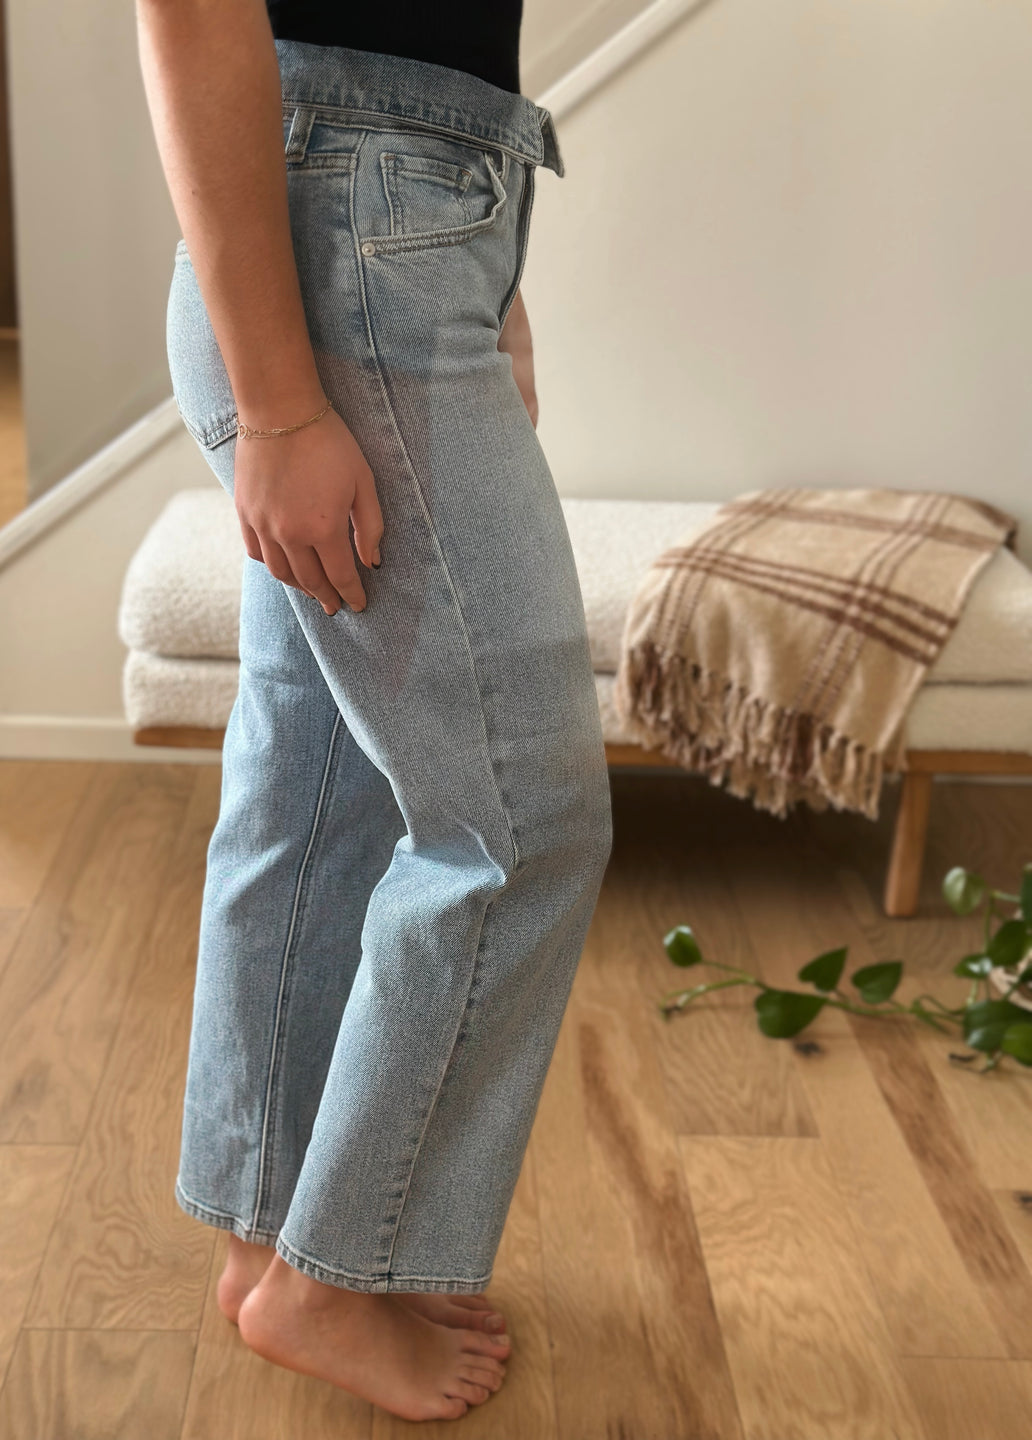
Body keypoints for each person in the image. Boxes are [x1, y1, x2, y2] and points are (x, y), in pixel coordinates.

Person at [136, 0, 614, 1421]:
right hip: (361, 247)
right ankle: (337, 1277)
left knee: (322, 775)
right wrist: (281, 409)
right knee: (520, 822)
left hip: (393, 227)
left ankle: (273, 1238)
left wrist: (495, 279)